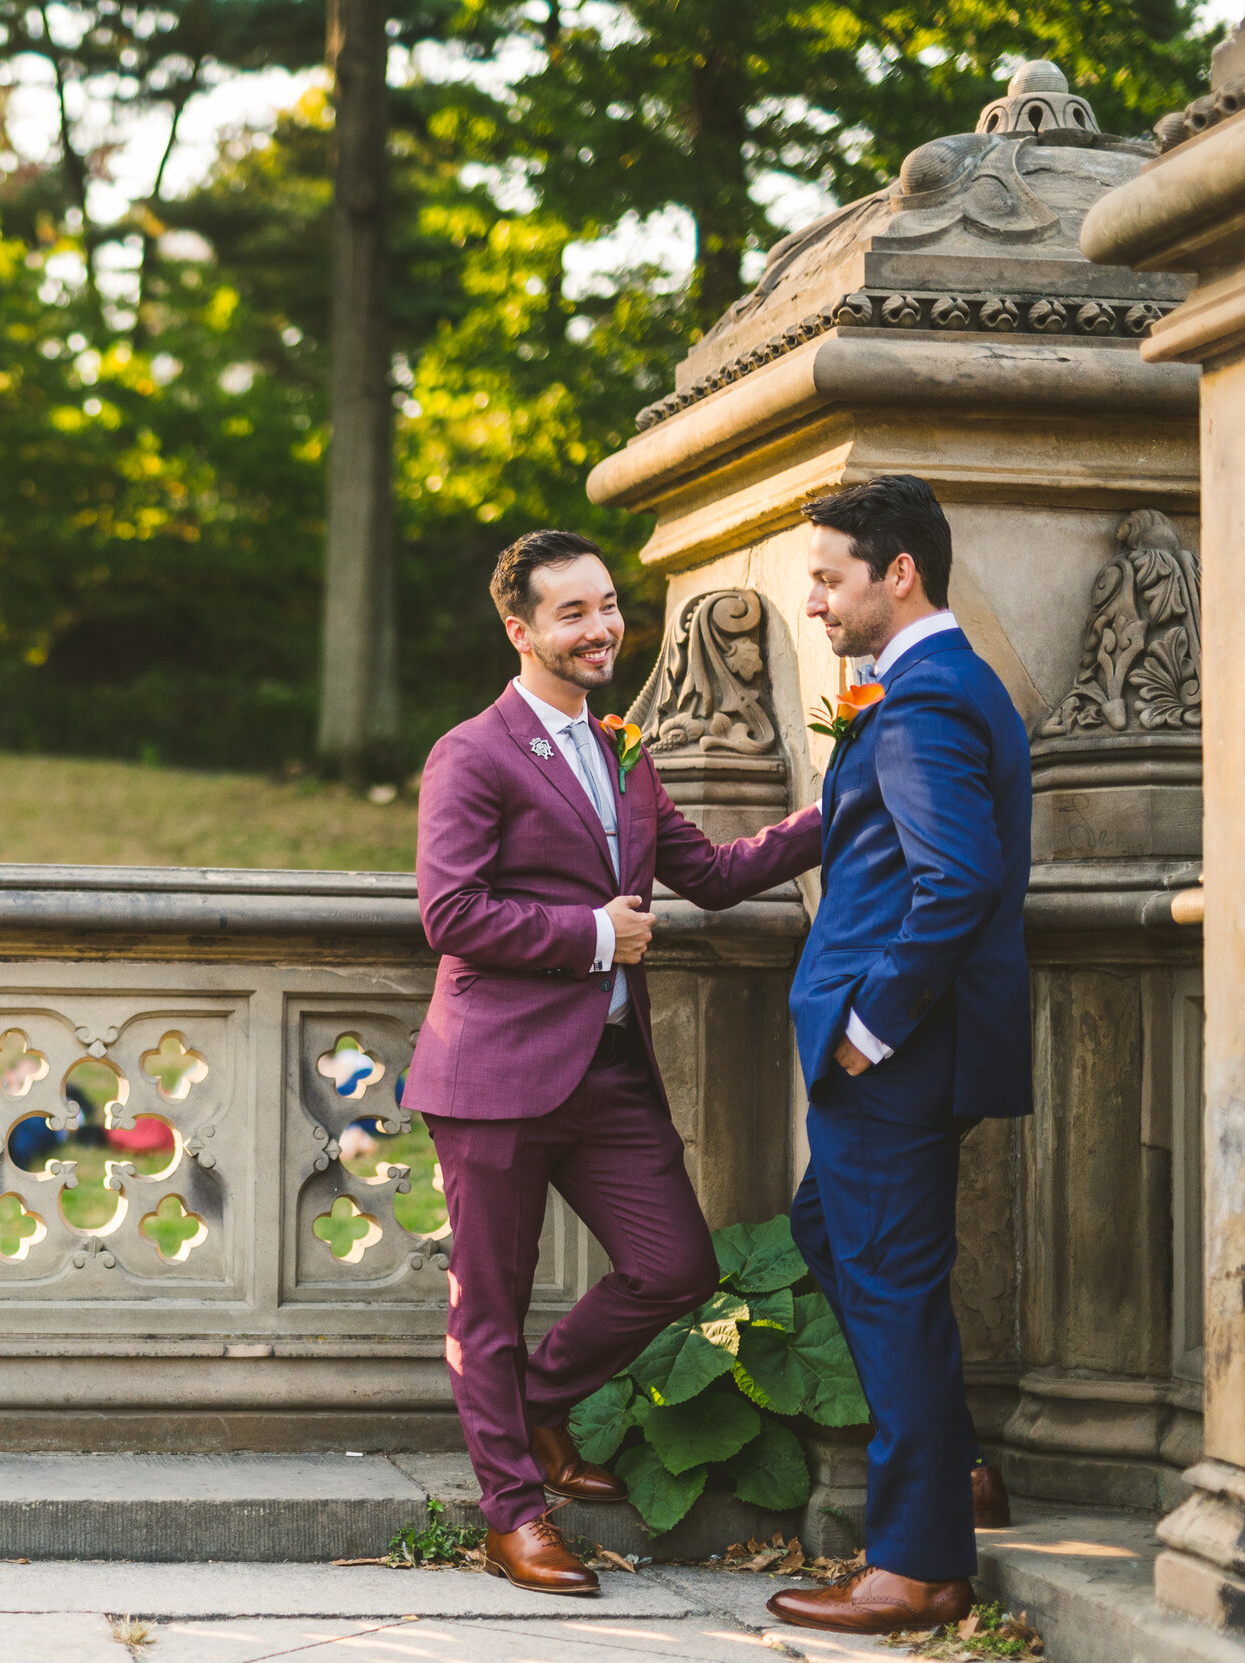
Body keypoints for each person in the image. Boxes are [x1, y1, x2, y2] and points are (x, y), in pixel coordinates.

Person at [405, 530, 823, 1597]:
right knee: (484, 1306)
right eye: (572, 614)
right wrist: (595, 936)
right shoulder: (472, 751)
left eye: (607, 606)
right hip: (492, 1075)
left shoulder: (625, 747)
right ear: (521, 631)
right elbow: (449, 912)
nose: (601, 629)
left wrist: (838, 813)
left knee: (675, 1264)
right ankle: (511, 1516)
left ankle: (539, 1404)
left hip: (607, 1072)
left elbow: (714, 876)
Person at [764, 474, 1030, 1636]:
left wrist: (868, 1030)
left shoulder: (923, 701)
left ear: (897, 572)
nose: (812, 603)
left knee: (890, 1287)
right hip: (920, 1053)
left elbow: (958, 879)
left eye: (828, 577)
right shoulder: (941, 684)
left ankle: (919, 1563)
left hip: (897, 1056)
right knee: (831, 1234)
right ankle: (954, 1472)